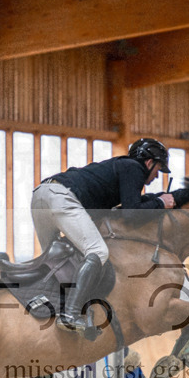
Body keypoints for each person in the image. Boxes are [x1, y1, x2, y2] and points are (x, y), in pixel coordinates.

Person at [31, 137, 175, 334]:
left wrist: (153, 199)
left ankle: (41, 300)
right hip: (61, 197)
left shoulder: (117, 169)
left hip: (40, 195)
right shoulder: (134, 168)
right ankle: (70, 314)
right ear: (149, 163)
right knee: (98, 251)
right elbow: (131, 213)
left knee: (56, 259)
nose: (157, 176)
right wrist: (161, 203)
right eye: (158, 169)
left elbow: (125, 206)